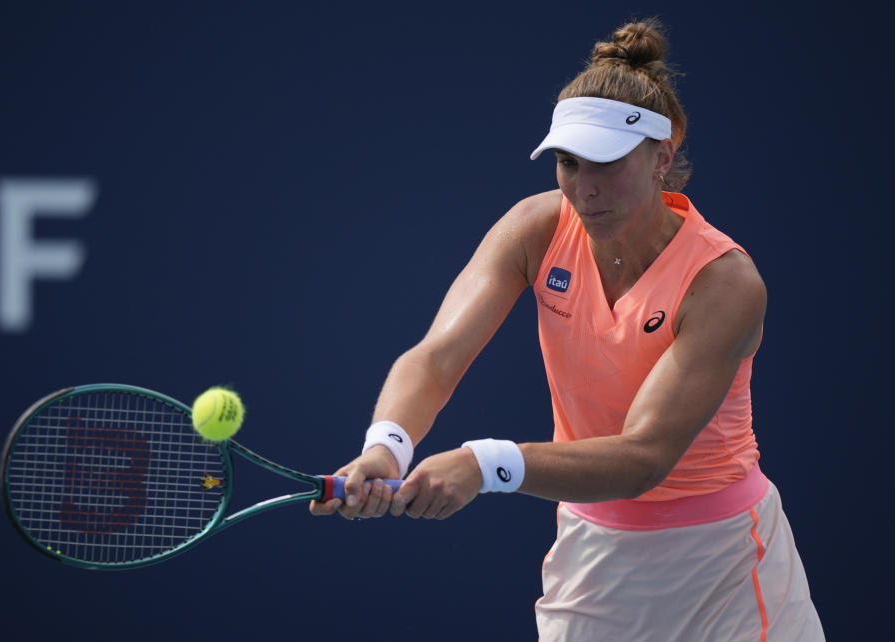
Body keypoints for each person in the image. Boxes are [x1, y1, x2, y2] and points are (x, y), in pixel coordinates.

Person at [310, 18, 823, 641]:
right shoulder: (536, 228)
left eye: (607, 164)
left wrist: (485, 463)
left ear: (663, 154)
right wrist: (385, 447)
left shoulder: (724, 282)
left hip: (729, 569)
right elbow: (438, 358)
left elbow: (644, 457)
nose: (585, 190)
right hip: (593, 557)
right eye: (568, 163)